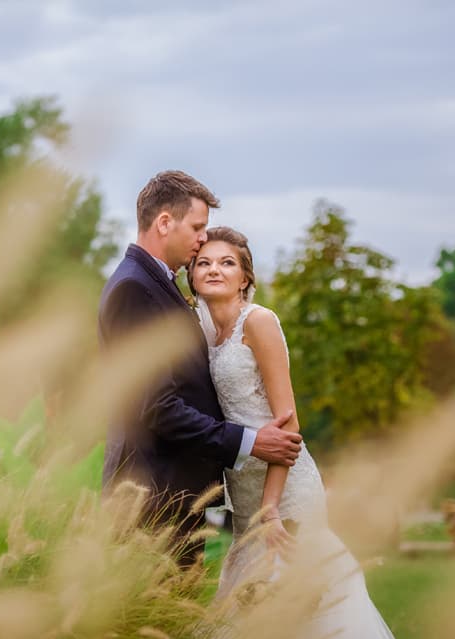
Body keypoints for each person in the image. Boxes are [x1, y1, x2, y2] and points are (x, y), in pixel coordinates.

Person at [189, 226, 394, 637]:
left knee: (296, 606)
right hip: (244, 497)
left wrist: (271, 507)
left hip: (284, 492)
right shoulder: (205, 331)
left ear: (245, 276)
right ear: (191, 274)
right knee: (252, 606)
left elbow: (289, 423)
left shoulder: (259, 322)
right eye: (204, 262)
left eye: (227, 262)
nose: (214, 269)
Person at [98, 170, 303, 565]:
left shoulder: (161, 286)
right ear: (163, 223)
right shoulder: (133, 290)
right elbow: (156, 406)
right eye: (197, 227)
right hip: (155, 505)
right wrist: (249, 442)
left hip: (198, 500)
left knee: (208, 608)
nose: (201, 239)